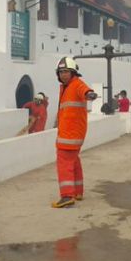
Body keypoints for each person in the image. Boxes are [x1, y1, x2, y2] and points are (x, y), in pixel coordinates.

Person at [52, 56, 98, 208]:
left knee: (64, 163)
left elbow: (84, 90)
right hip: (71, 133)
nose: (63, 74)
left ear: (73, 73)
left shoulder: (76, 84)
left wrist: (90, 94)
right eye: (61, 72)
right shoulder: (65, 87)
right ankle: (78, 191)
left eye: (66, 71)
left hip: (70, 135)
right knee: (74, 161)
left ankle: (67, 196)